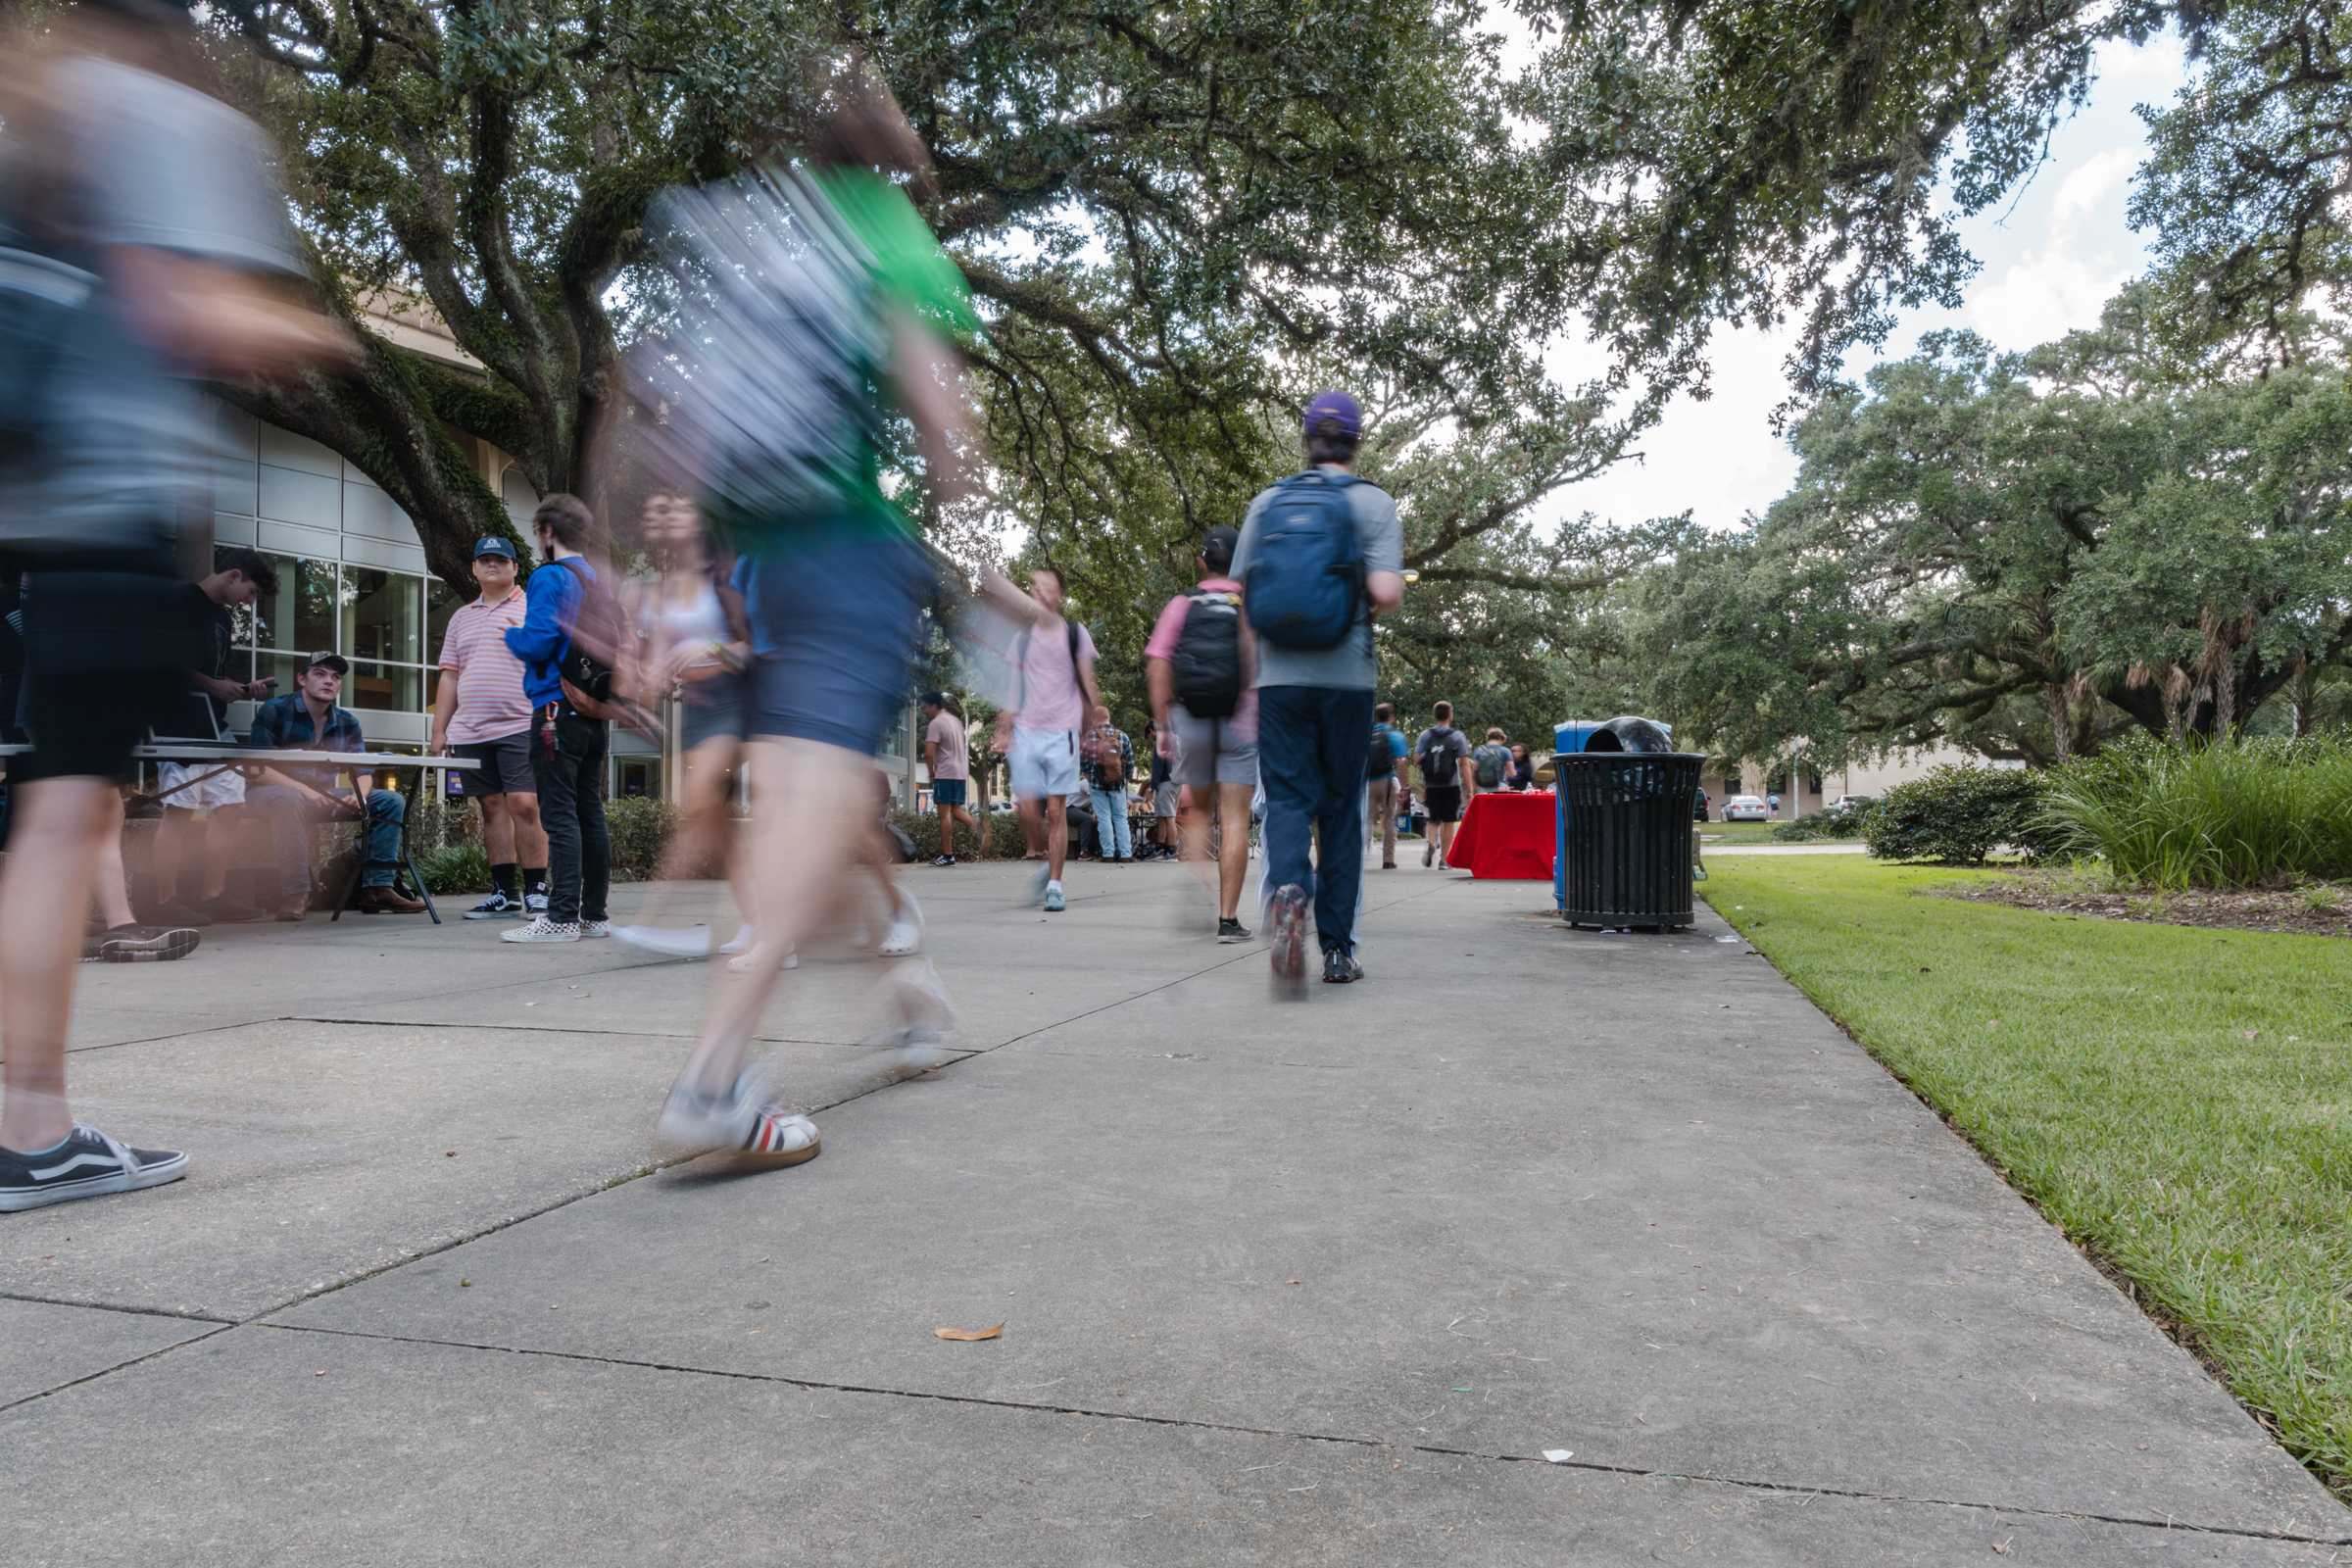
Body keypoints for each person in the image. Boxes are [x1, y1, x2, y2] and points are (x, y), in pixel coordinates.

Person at [632, 62, 978, 1167]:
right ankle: (715, 1082)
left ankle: (906, 985)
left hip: (760, 569)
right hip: (847, 560)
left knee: (809, 823)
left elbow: (665, 417)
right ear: (887, 140)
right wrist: (954, 507)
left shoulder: (742, 232)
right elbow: (939, 421)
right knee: (806, 826)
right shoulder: (882, 230)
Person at [1232, 390, 1405, 987]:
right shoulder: (1374, 505)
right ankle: (1337, 949)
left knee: (1286, 801)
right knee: (1340, 812)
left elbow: (1245, 604)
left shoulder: (1267, 504)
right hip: (1347, 680)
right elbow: (1385, 592)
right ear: (1355, 442)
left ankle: (1286, 895)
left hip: (1280, 681)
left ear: (1307, 440)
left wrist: (1250, 683)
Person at [613, 495, 760, 957]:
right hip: (697, 712)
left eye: (674, 507)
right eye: (654, 508)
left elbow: (758, 645)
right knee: (716, 821)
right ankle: (766, 925)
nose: (660, 514)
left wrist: (711, 652)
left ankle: (659, 924)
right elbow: (653, 669)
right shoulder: (654, 592)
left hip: (740, 704)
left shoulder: (726, 577)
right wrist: (641, 676)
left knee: (698, 807)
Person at [500, 494, 614, 944]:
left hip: (553, 709)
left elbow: (540, 640)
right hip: (592, 712)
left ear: (546, 532)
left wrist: (510, 634)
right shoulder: (597, 579)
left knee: (560, 813)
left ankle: (562, 916)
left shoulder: (549, 576)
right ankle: (594, 915)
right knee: (590, 811)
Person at [148, 549, 277, 925]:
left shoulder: (222, 618)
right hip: (177, 722)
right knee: (179, 811)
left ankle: (214, 895)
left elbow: (216, 673)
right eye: (251, 592)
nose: (250, 603)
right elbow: (162, 663)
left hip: (214, 726)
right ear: (234, 575)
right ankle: (163, 901)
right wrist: (213, 686)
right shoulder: (178, 601)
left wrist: (242, 688)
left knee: (231, 805)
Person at [243, 653, 421, 918]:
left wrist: (359, 797)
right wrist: (305, 791)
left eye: (335, 677)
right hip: (272, 794)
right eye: (320, 674)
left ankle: (378, 888)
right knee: (288, 799)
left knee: (390, 801)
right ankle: (297, 893)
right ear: (302, 679)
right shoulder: (275, 710)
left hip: (325, 796)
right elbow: (256, 769)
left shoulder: (347, 722)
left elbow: (362, 771)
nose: (329, 681)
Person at [1146, 524, 1256, 938]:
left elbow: (1158, 665)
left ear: (1201, 562)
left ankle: (1198, 882)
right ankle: (1228, 918)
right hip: (1241, 724)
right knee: (1235, 820)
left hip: (1192, 723)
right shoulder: (1249, 605)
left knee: (1198, 812)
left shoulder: (1182, 604)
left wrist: (1163, 725)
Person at [430, 534, 547, 920]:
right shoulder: (461, 617)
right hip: (471, 731)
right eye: (485, 560)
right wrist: (439, 730)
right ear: (474, 568)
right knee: (492, 808)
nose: (492, 565)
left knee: (525, 805)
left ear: (515, 567)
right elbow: (450, 676)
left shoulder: (534, 608)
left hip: (520, 723)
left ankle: (537, 891)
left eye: (501, 559)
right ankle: (504, 893)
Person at [997, 567, 1102, 912]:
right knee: (1028, 808)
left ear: (1059, 595)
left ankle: (1055, 884)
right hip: (1027, 729)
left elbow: (1088, 682)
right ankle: (1045, 859)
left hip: (1062, 732)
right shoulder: (1022, 640)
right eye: (1035, 587)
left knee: (1057, 811)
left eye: (1048, 588)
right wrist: (1004, 728)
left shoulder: (1075, 634)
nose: (1040, 593)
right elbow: (1012, 689)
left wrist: (1093, 725)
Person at [1414, 702, 1471, 868]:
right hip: (1451, 785)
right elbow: (1464, 764)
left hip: (1431, 785)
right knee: (1448, 822)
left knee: (1433, 819)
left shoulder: (1425, 735)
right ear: (1450, 715)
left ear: (1435, 715)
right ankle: (1444, 860)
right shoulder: (1457, 736)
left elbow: (1417, 759)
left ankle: (1431, 843)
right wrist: (1469, 789)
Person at [922, 692, 973, 866]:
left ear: (934, 706)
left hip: (945, 772)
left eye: (925, 706)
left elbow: (929, 753)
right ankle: (980, 828)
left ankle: (947, 855)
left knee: (944, 815)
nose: (923, 710)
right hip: (960, 772)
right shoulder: (956, 722)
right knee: (956, 810)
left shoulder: (936, 723)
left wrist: (931, 773)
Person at [1081, 704, 1135, 865]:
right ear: (1108, 717)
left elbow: (1083, 762)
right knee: (1120, 818)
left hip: (1097, 785)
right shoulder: (1122, 736)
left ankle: (1108, 854)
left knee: (1104, 817)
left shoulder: (1089, 737)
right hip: (1118, 784)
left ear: (1094, 719)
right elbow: (1130, 760)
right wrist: (1125, 778)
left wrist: (1089, 778)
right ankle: (1126, 853)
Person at [1364, 701, 1408, 870]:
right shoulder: (1394, 735)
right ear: (1391, 717)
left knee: (1367, 819)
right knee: (1389, 820)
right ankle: (1388, 860)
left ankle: (1361, 856)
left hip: (1367, 782)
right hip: (1388, 781)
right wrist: (1405, 786)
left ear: (1376, 717)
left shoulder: (1367, 734)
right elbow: (1402, 761)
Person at [1471, 727, 1511, 794]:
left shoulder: (1478, 750)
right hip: (1501, 787)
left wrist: (1473, 789)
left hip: (1482, 788)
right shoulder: (1505, 750)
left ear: (1488, 737)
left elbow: (1474, 772)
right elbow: (1511, 773)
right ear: (1502, 737)